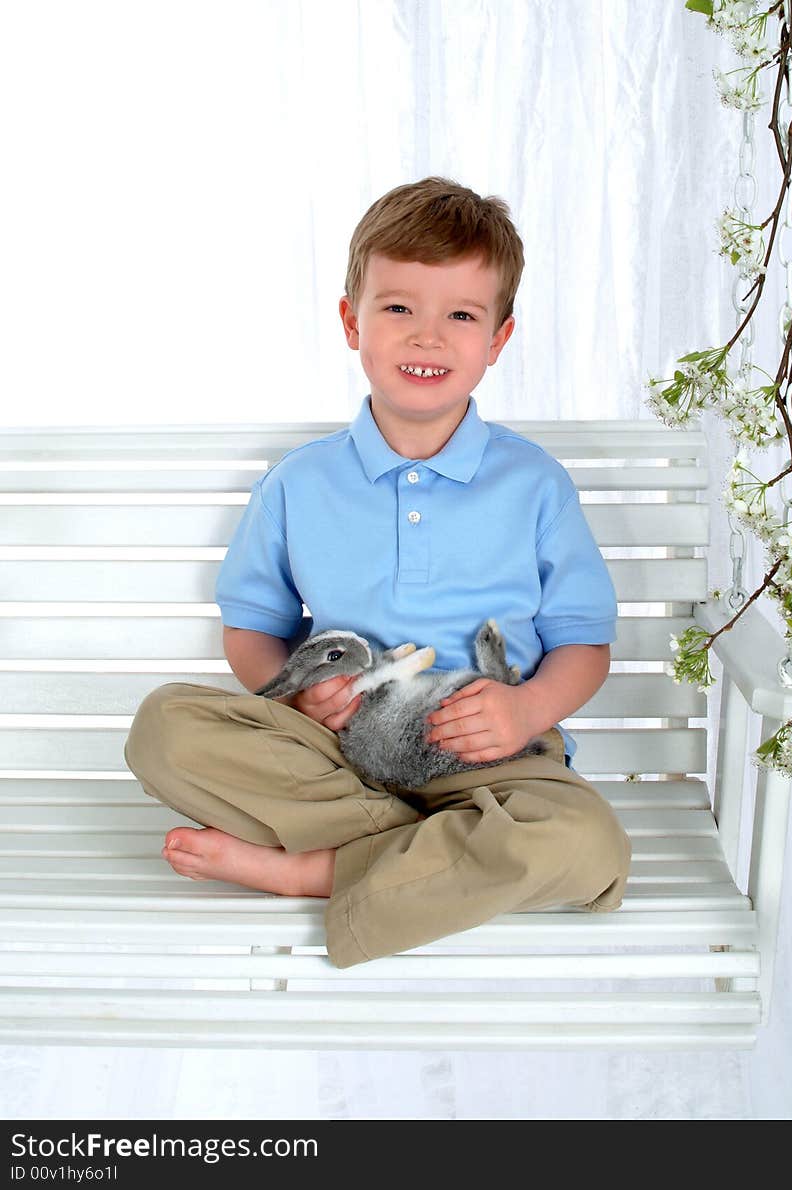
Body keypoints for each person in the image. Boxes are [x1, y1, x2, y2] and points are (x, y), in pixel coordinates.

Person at [123, 176, 632, 968]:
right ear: (351, 320)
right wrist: (295, 691)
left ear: (497, 339)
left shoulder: (535, 484)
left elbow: (582, 644)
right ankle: (429, 862)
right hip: (341, 755)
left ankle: (319, 872)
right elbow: (253, 626)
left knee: (590, 845)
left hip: (494, 767)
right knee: (163, 729)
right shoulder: (301, 481)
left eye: (460, 315)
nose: (427, 337)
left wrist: (528, 710)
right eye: (399, 308)